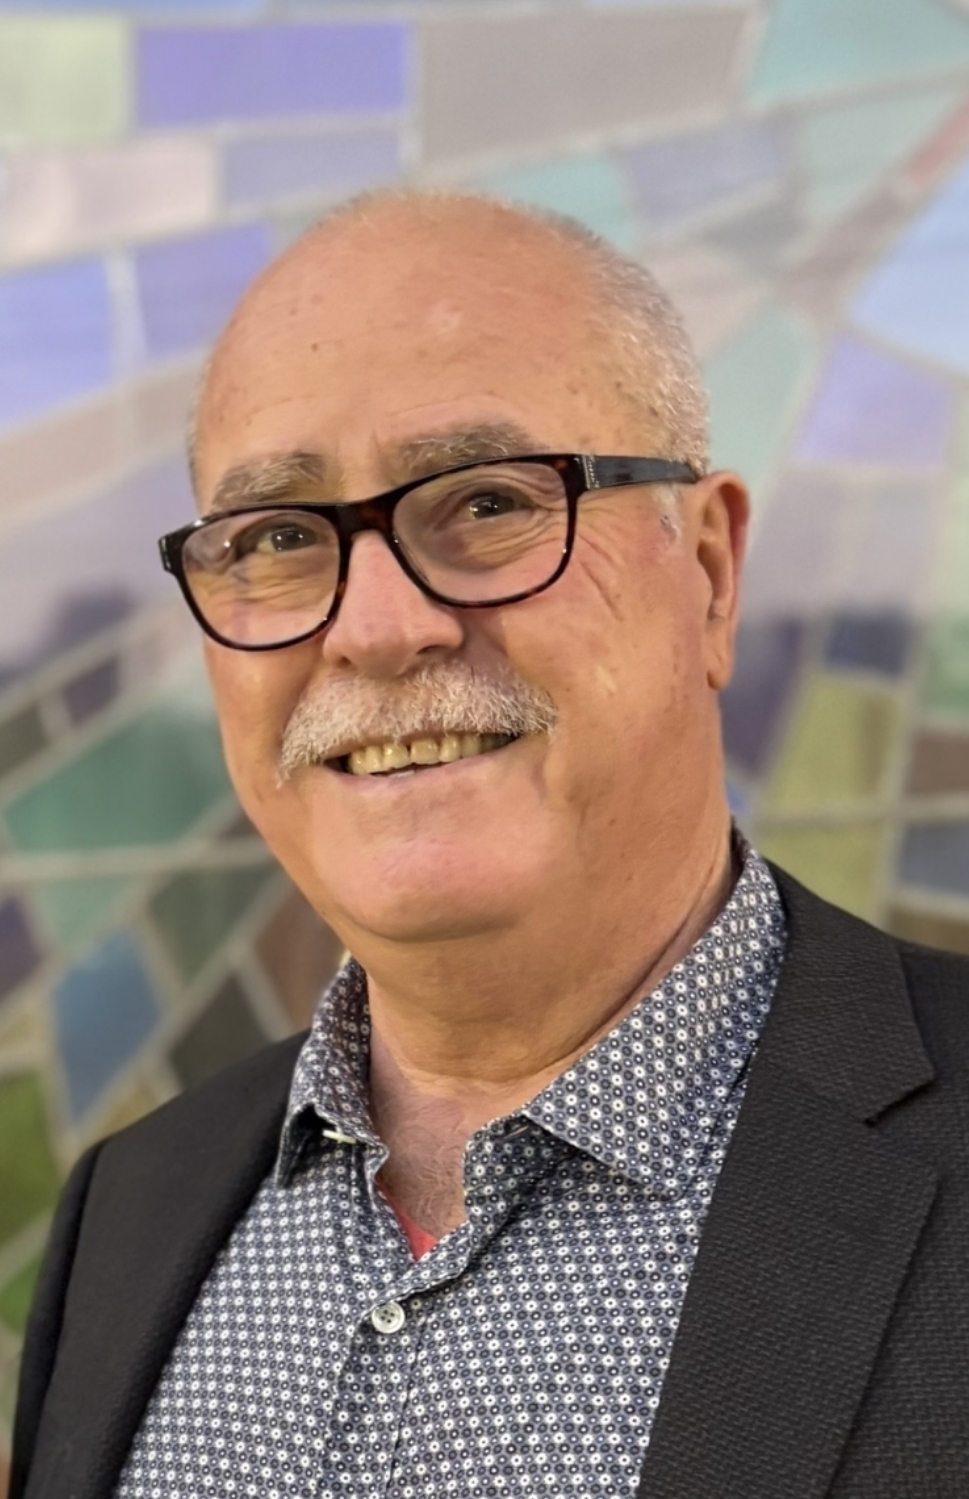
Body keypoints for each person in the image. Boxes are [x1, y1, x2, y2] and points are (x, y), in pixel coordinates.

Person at [11, 191, 969, 1499]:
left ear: (708, 571)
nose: (376, 628)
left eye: (485, 502)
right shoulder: (126, 1216)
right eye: (278, 538)